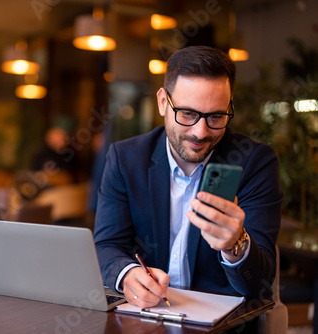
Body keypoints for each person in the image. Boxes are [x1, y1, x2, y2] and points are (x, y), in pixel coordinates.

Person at [94, 46, 283, 310]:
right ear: (163, 102)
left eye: (216, 116)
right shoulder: (126, 159)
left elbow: (261, 283)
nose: (200, 132)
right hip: (144, 316)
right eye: (187, 114)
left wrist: (235, 245)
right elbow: (107, 245)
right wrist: (127, 275)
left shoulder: (255, 163)